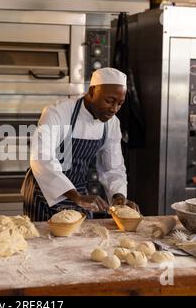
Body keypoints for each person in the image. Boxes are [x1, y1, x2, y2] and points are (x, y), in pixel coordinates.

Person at [21, 67, 139, 221]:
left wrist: (118, 196)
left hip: (81, 192)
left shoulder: (112, 124)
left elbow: (113, 167)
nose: (114, 109)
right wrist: (75, 196)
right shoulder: (58, 113)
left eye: (120, 104)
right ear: (91, 92)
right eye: (109, 101)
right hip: (45, 191)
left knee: (82, 242)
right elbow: (41, 158)